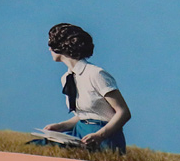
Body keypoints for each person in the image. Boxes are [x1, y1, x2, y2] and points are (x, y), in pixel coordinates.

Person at [41, 23, 131, 153]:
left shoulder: (96, 74)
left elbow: (123, 112)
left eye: (51, 43)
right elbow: (84, 115)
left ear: (62, 46)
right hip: (79, 132)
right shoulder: (66, 78)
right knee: (39, 145)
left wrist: (100, 135)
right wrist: (60, 127)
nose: (49, 48)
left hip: (104, 136)